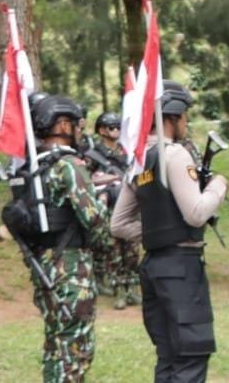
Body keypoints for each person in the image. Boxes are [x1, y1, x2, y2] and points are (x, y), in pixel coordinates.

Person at [111, 81, 227, 381]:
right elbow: (197, 213)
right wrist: (218, 186)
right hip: (181, 268)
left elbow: (119, 225)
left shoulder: (137, 162)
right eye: (185, 115)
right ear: (172, 116)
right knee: (191, 354)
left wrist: (157, 233)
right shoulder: (174, 154)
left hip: (153, 267)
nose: (186, 122)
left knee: (168, 356)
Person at [7, 95, 112, 381]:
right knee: (76, 349)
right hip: (71, 268)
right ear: (62, 125)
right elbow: (93, 218)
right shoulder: (68, 165)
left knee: (56, 346)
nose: (80, 131)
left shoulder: (33, 168)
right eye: (77, 125)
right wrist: (107, 242)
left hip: (46, 266)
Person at [87, 111, 140, 310]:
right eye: (111, 127)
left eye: (118, 127)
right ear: (101, 130)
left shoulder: (127, 152)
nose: (116, 130)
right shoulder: (94, 154)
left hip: (129, 205)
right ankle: (119, 290)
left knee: (133, 248)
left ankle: (133, 288)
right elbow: (86, 179)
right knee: (114, 249)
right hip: (108, 206)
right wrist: (109, 179)